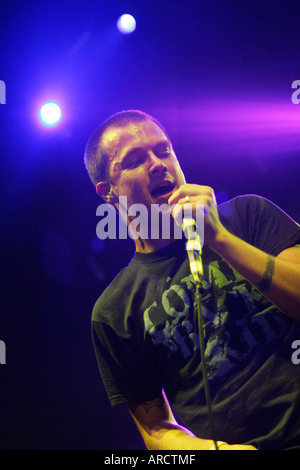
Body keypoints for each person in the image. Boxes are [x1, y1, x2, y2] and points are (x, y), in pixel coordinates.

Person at [84, 110, 300, 450]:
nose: (157, 164)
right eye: (136, 160)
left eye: (164, 150)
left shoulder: (248, 216)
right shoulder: (115, 310)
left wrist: (218, 237)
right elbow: (156, 429)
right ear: (107, 192)